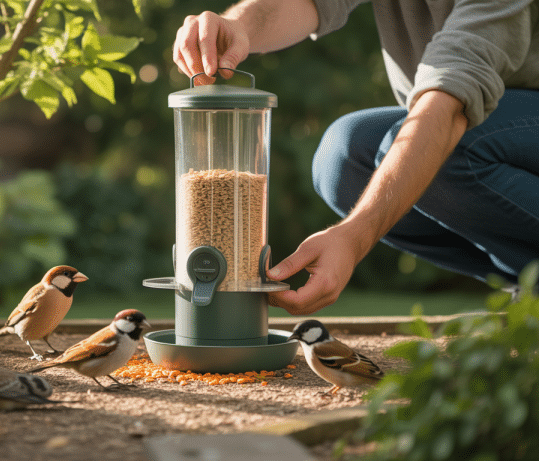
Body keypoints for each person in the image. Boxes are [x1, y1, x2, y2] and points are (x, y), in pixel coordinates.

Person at [173, 0, 539, 315]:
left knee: (439, 147)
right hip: (483, 122)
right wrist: (239, 26)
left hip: (514, 116)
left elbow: (451, 101)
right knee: (345, 156)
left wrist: (354, 236)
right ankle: (526, 279)